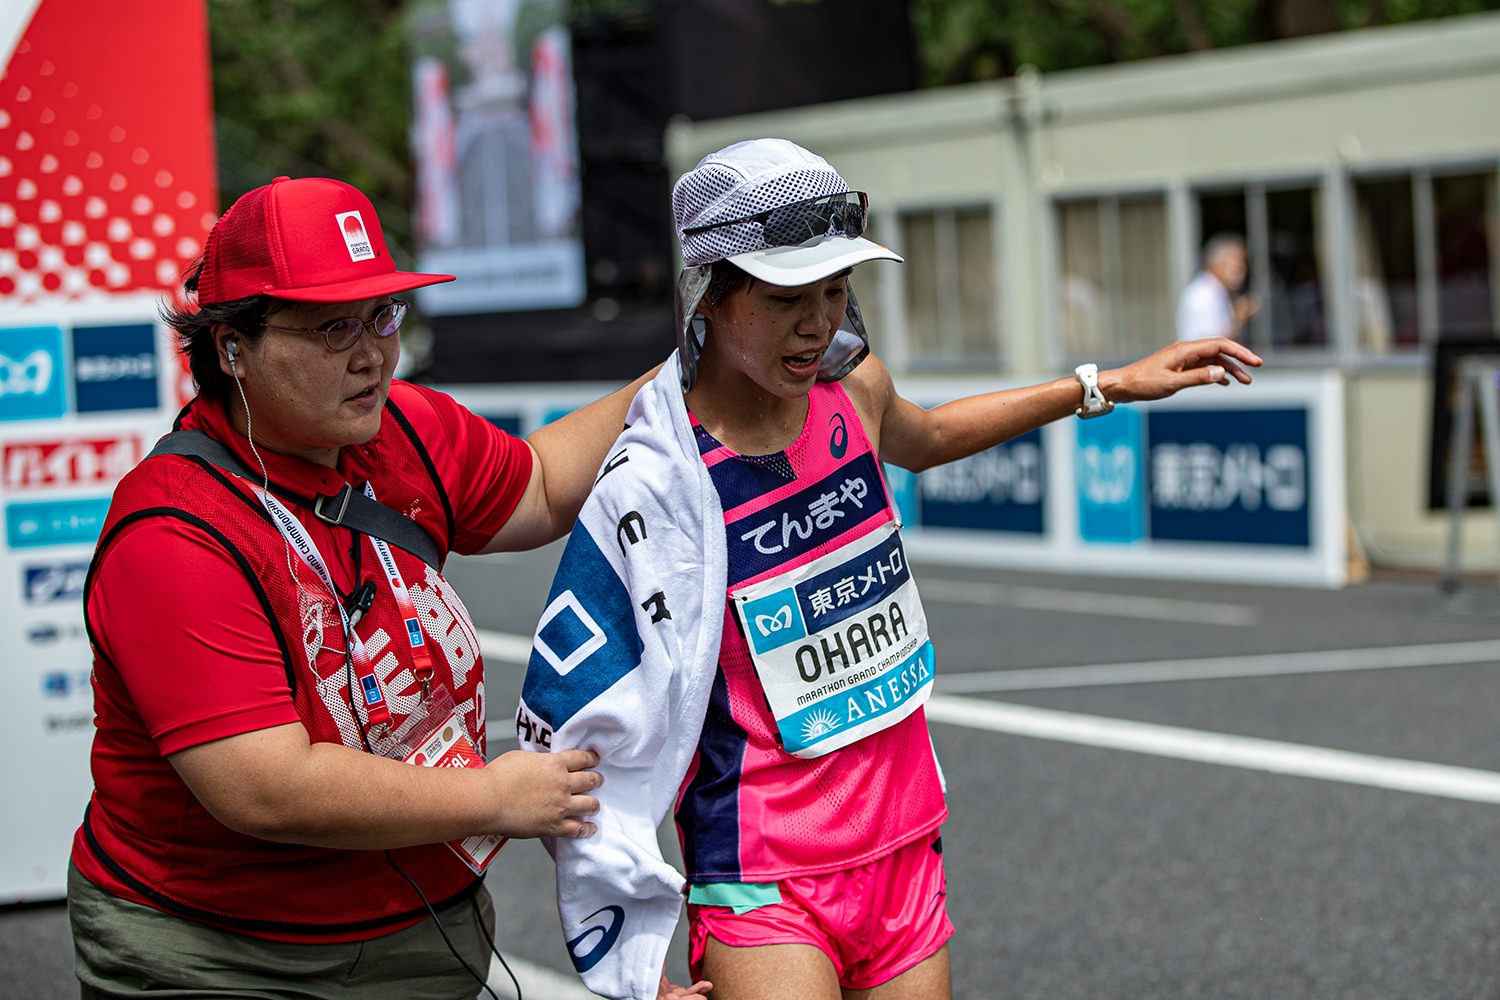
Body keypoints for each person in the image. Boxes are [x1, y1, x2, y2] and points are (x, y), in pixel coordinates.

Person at [514, 138, 1263, 1000]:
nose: (819, 323)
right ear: (712, 296)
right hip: (763, 879)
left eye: (837, 291)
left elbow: (931, 436)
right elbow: (575, 717)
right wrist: (631, 968)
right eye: (789, 296)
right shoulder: (659, 479)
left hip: (905, 850)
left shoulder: (852, 389)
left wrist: (1107, 385)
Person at [67, 175, 660, 999]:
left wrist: (686, 375)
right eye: (332, 327)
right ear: (231, 345)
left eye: (384, 315)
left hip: (417, 926)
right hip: (214, 949)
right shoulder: (176, 533)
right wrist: (491, 795)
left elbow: (545, 484)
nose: (372, 352)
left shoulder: (404, 427)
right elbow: (266, 788)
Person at [1176, 232, 1258, 342]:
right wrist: (1237, 318)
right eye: (1235, 262)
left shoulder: (1216, 292)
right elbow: (1207, 345)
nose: (1241, 270)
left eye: (1243, 264)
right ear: (1214, 262)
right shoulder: (1202, 296)